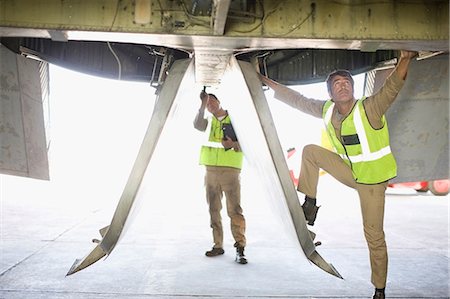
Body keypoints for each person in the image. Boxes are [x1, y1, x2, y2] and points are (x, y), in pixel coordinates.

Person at [259, 50, 417, 299]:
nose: (342, 87)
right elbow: (298, 100)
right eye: (336, 84)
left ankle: (379, 289)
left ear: (352, 89)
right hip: (351, 171)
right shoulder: (327, 110)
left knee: (374, 235)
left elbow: (392, 87)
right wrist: (267, 82)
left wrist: (406, 59)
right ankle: (309, 206)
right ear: (331, 93)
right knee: (311, 151)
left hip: (372, 180)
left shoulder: (369, 108)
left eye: (346, 83)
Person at [193, 89, 248, 264]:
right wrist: (202, 104)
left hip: (230, 170)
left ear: (219, 101)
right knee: (214, 209)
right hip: (210, 171)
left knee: (234, 210)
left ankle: (240, 248)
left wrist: (234, 144)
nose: (210, 107)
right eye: (207, 104)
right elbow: (197, 125)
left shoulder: (236, 120)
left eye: (211, 103)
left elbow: (248, 144)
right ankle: (218, 245)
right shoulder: (206, 121)